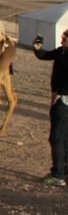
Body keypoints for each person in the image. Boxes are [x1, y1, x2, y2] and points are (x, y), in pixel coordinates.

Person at [33, 29, 68, 187]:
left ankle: (58, 174)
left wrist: (60, 93)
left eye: (64, 38)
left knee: (57, 138)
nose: (62, 39)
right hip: (61, 99)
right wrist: (37, 48)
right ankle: (65, 172)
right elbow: (45, 55)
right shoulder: (62, 51)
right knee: (64, 139)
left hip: (63, 102)